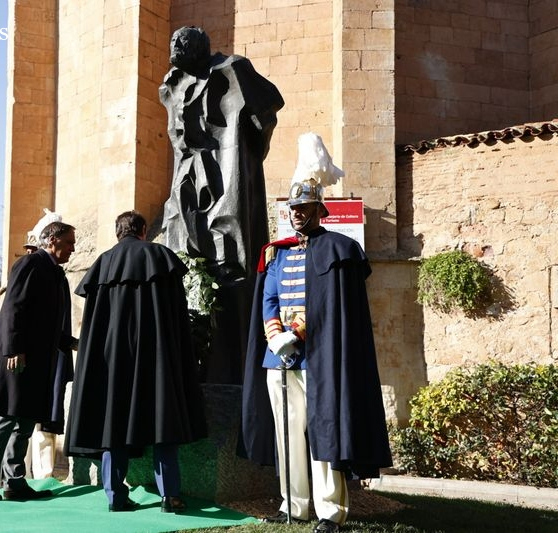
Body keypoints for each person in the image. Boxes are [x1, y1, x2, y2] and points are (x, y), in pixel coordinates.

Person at [241, 134, 392, 533]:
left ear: (319, 211)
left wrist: (298, 332)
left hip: (319, 356)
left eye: (304, 208)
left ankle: (330, 509)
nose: (296, 214)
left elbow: (328, 305)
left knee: (324, 431)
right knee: (287, 436)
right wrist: (276, 336)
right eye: (293, 208)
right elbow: (268, 298)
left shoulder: (338, 249)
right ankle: (294, 504)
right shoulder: (278, 253)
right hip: (280, 356)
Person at [160, 25, 285, 383]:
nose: (174, 49)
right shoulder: (171, 84)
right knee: (187, 246)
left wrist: (245, 155)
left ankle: (232, 365)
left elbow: (267, 110)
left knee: (231, 254)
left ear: (197, 47)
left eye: (180, 45)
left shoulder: (234, 69)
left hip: (226, 173)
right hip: (186, 179)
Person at [65, 210, 207, 513]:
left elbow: (94, 325)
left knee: (112, 423)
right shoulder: (159, 256)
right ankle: (171, 496)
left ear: (118, 232)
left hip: (112, 360)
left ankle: (115, 496)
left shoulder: (102, 263)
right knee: (162, 421)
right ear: (143, 230)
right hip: (155, 355)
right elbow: (176, 315)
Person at [0, 220, 77, 501]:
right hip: (16, 359)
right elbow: (13, 308)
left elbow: (47, 323)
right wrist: (14, 349)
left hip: (37, 363)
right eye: (69, 243)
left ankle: (14, 481)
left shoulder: (55, 274)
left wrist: (70, 343)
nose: (73, 249)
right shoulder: (30, 264)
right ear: (52, 240)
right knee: (6, 418)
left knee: (26, 423)